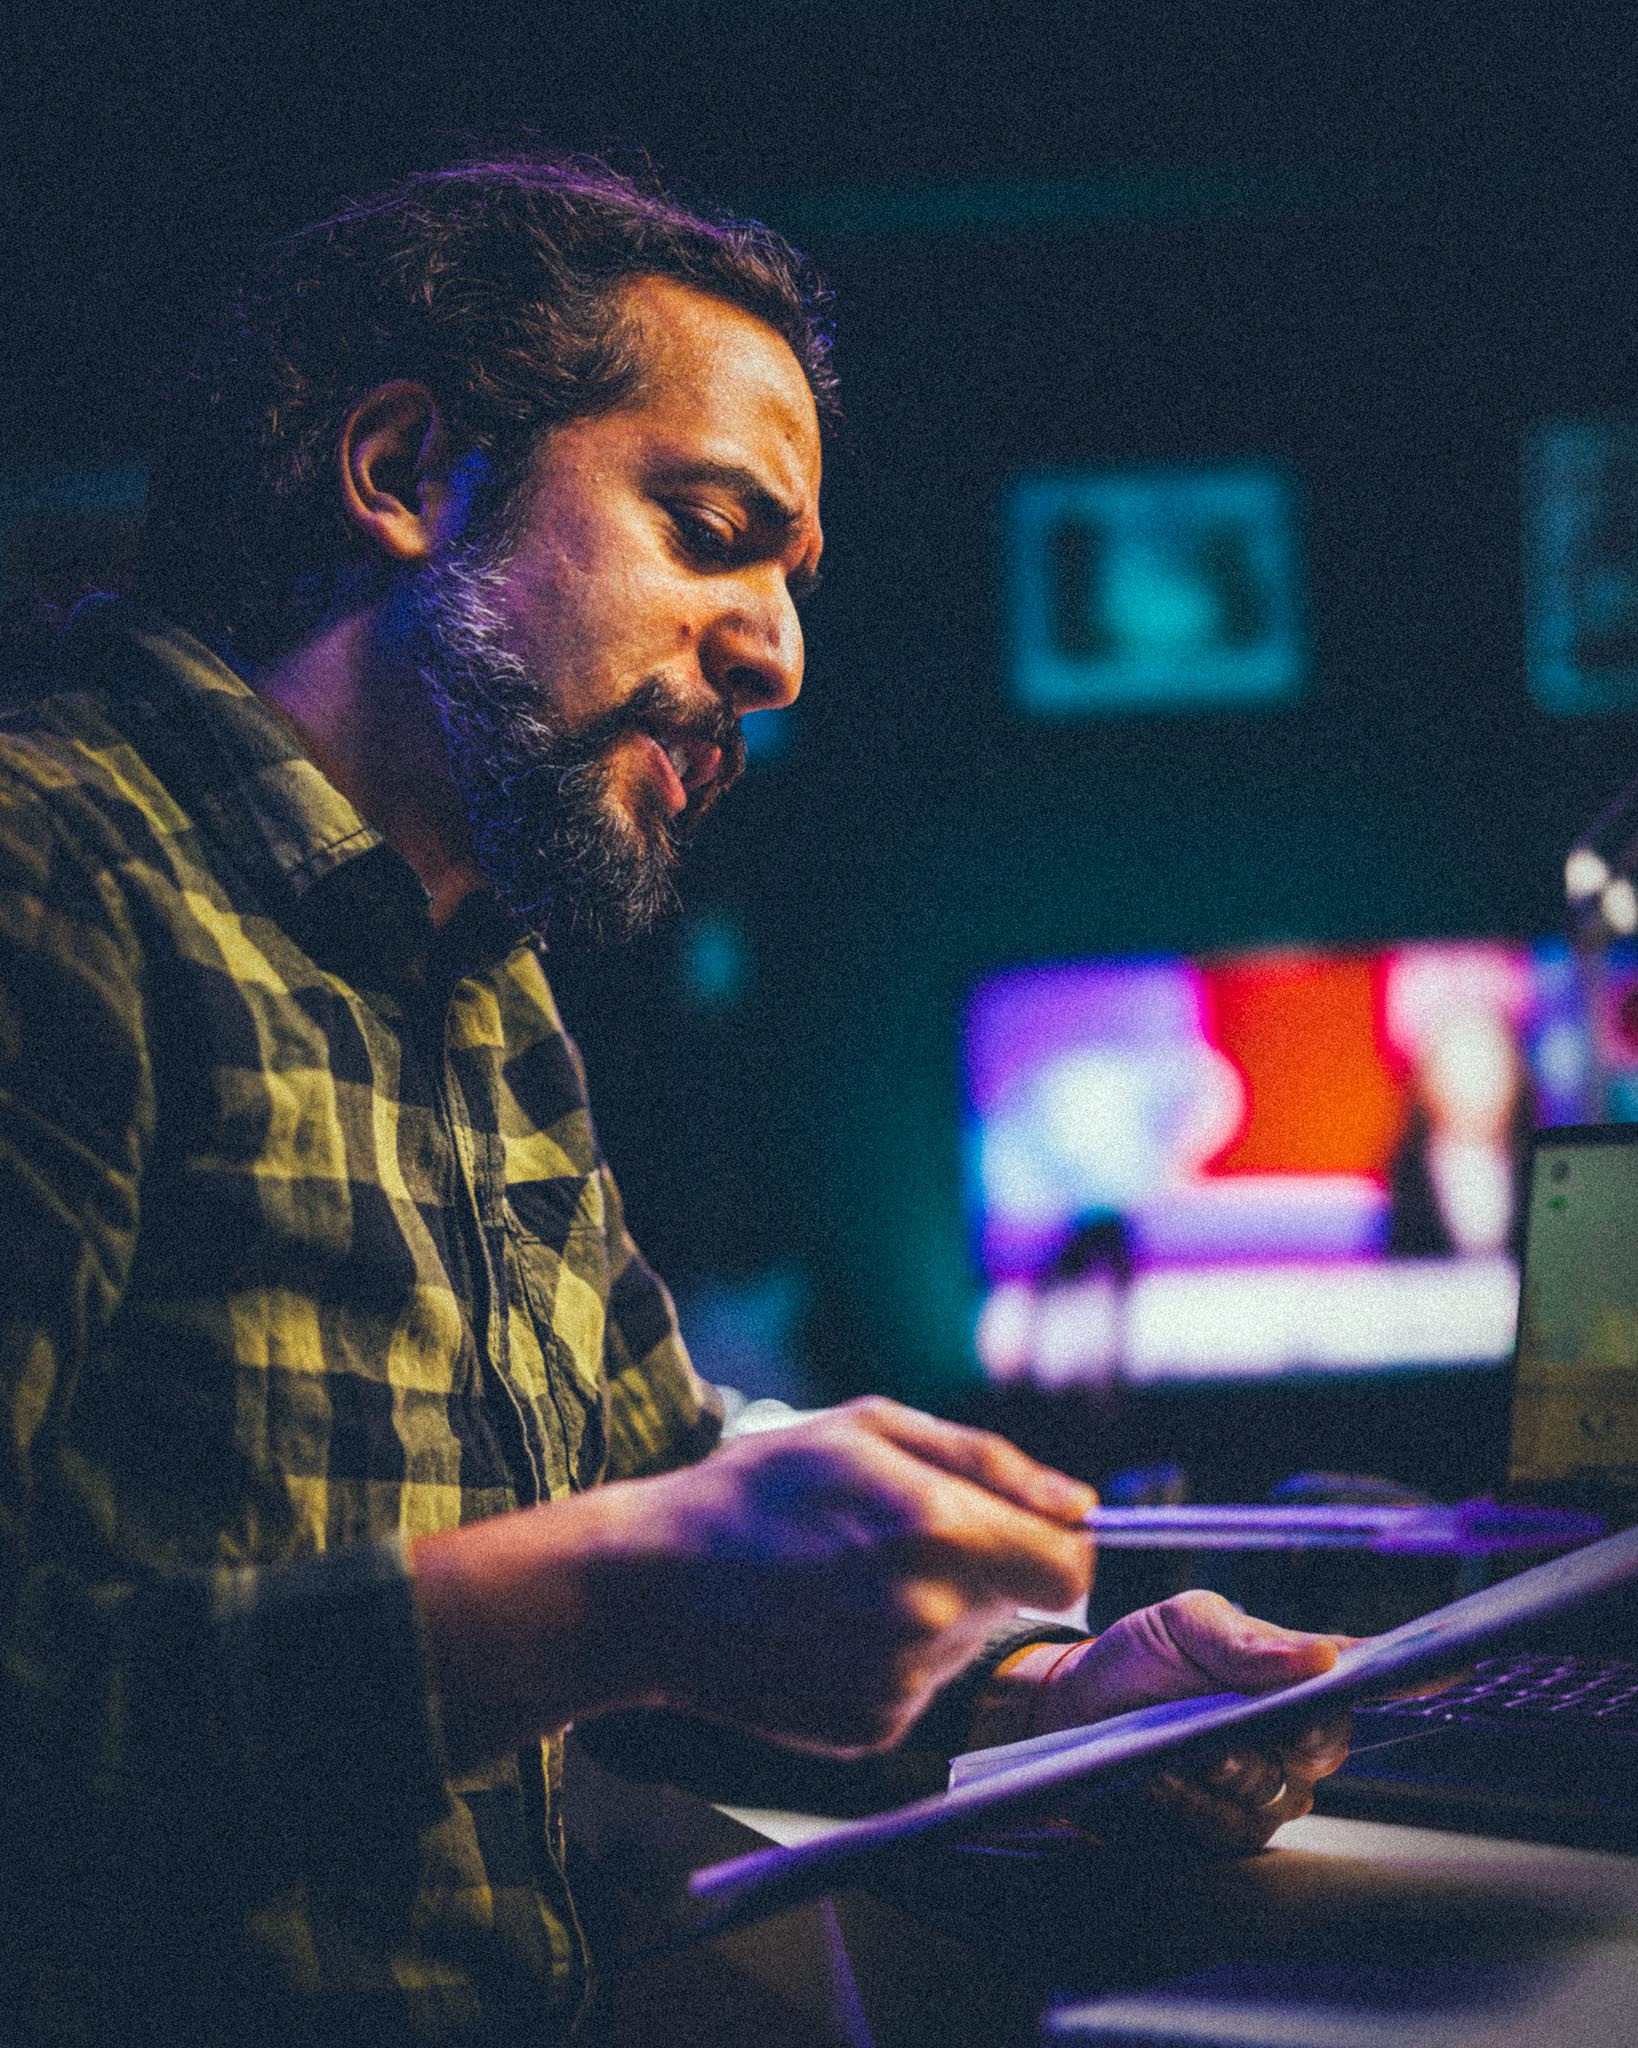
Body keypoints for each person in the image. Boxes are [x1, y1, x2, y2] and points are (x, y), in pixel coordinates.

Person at [0, 155, 1352, 2045]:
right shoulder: (50, 875)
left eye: (783, 583)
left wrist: (1044, 1700)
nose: (779, 657)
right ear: (400, 477)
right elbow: (608, 1589)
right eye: (709, 529)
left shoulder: (469, 969)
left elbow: (631, 1542)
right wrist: (608, 1593)